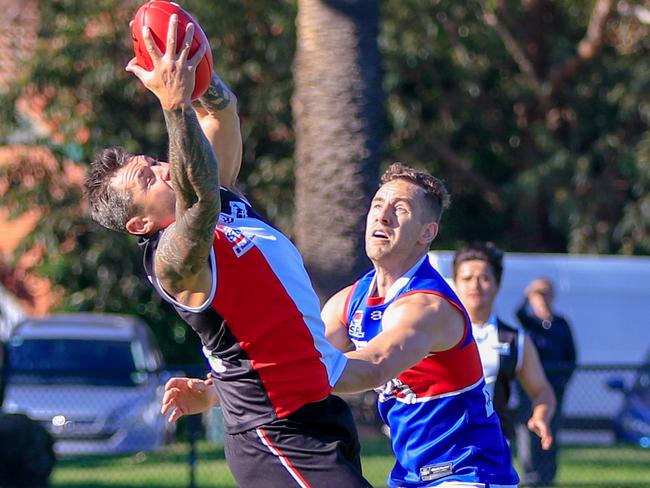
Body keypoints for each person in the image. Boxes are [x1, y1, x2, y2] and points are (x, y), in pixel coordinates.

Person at [84, 16, 371, 488]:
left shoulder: (222, 200)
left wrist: (186, 64)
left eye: (155, 162)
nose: (160, 169)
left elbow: (220, 111)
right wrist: (173, 106)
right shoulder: (172, 259)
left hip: (317, 413)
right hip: (273, 434)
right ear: (139, 223)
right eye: (147, 178)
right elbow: (198, 200)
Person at [162, 164, 521, 487]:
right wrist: (215, 393)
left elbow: (371, 368)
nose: (382, 217)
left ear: (427, 233)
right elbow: (291, 351)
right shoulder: (353, 300)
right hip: (412, 476)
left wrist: (249, 384)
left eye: (400, 210)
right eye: (378, 205)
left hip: (469, 473)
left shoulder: (426, 307)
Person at [452, 242, 555, 448]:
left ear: (497, 285)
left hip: (493, 449)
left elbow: (542, 390)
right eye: (467, 278)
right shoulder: (435, 333)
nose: (475, 285)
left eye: (484, 278)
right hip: (442, 448)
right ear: (455, 283)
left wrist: (540, 416)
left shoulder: (514, 339)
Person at [515, 278, 577, 487]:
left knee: (552, 431)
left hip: (555, 389)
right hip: (529, 391)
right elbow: (518, 313)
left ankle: (548, 476)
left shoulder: (561, 324)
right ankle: (530, 475)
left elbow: (571, 355)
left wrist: (562, 380)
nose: (542, 298)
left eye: (546, 293)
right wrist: (528, 294)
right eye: (538, 294)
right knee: (528, 432)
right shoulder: (529, 323)